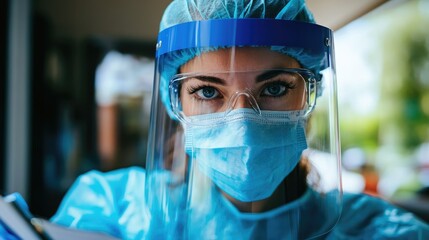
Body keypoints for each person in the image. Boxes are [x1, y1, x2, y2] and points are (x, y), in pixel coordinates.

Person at [1, 0, 428, 239]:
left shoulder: (375, 232)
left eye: (275, 88)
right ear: (176, 104)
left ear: (310, 95)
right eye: (207, 91)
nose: (241, 120)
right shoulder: (113, 208)